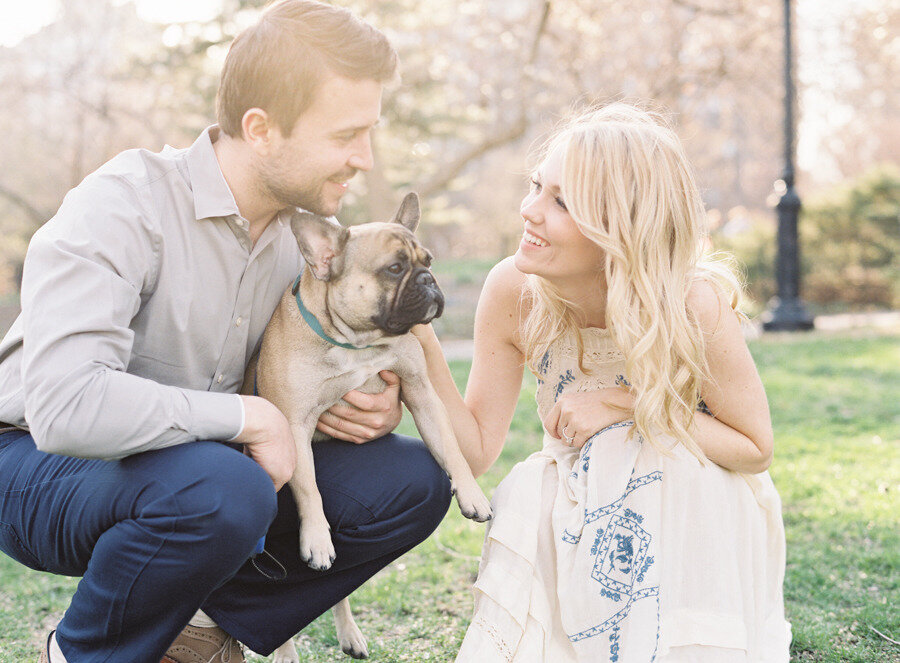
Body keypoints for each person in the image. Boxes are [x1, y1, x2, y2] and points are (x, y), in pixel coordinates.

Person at [0, 2, 451, 662]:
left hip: (202, 471)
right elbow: (66, 407)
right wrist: (248, 417)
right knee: (222, 486)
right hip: (37, 458)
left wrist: (365, 402)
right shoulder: (124, 205)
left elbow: (331, 363)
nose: (365, 158)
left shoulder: (313, 245)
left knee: (412, 481)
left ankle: (199, 622)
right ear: (261, 129)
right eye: (347, 134)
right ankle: (83, 650)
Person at [412, 103, 792, 661]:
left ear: (620, 226)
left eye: (561, 202)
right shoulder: (513, 290)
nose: (530, 210)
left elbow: (754, 448)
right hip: (580, 494)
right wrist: (422, 342)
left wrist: (623, 405)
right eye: (537, 186)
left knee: (641, 454)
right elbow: (474, 452)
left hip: (688, 497)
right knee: (530, 486)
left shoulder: (690, 301)